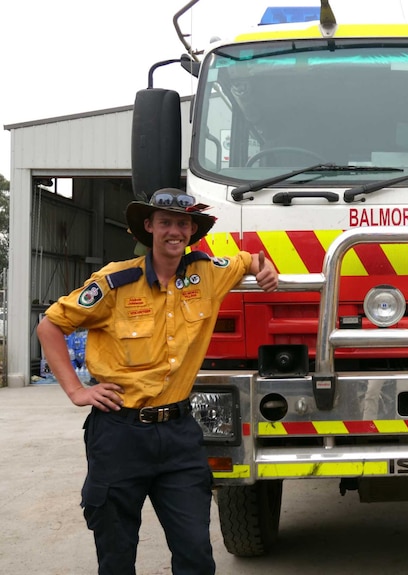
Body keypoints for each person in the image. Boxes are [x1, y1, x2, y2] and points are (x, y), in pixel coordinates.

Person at [36, 188, 279, 575]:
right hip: (119, 434)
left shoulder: (207, 273)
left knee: (196, 553)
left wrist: (263, 266)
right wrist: (77, 391)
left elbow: (251, 260)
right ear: (148, 227)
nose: (174, 231)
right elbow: (50, 325)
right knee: (116, 555)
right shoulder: (115, 282)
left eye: (183, 224)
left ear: (192, 231)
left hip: (180, 436)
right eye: (165, 222)